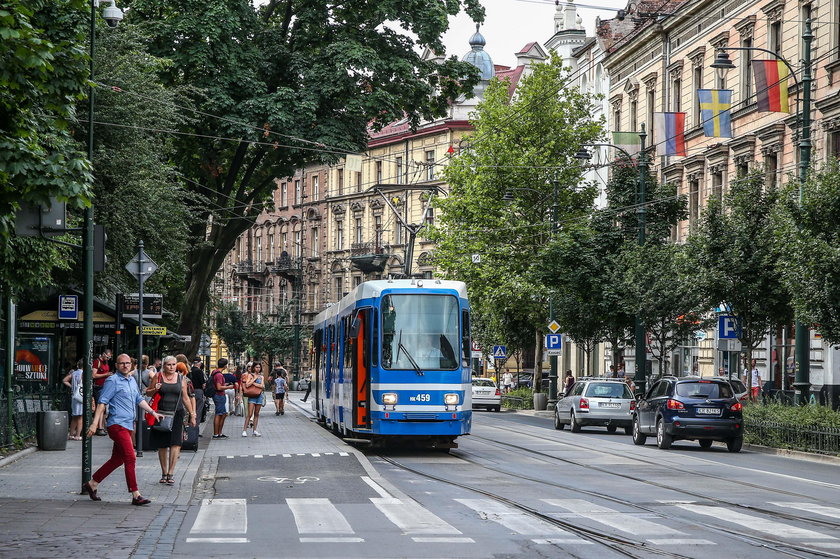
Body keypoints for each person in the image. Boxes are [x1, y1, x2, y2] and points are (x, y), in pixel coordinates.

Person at [84, 354, 162, 506]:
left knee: (117, 459)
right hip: (116, 424)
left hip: (127, 425)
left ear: (132, 365)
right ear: (116, 365)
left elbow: (139, 399)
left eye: (128, 363)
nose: (125, 366)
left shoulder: (131, 380)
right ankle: (135, 494)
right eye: (122, 363)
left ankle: (92, 483)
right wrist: (94, 424)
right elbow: (102, 402)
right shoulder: (112, 381)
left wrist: (152, 412)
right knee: (130, 457)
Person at [146, 356, 196, 485]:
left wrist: (192, 414)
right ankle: (164, 472)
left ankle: (171, 473)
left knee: (175, 443)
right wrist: (155, 388)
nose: (172, 367)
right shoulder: (158, 376)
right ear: (164, 365)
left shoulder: (181, 378)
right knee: (162, 444)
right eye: (169, 364)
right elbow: (148, 393)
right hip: (161, 413)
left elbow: (185, 398)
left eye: (174, 364)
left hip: (177, 414)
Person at [211, 358, 234, 438]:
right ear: (225, 366)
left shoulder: (214, 372)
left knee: (223, 414)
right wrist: (229, 387)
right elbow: (219, 387)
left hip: (218, 395)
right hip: (219, 395)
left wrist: (225, 384)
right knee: (219, 414)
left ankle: (219, 433)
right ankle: (216, 434)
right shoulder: (219, 375)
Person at [91, 349, 113, 435]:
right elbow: (94, 375)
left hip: (105, 386)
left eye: (109, 357)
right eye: (107, 357)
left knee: (104, 408)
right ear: (103, 354)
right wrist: (105, 374)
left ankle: (102, 426)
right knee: (101, 406)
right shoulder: (97, 362)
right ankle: (99, 427)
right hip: (98, 386)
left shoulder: (105, 363)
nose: (108, 358)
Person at [241, 362, 265, 436]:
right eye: (256, 367)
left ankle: (255, 430)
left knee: (257, 414)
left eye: (259, 367)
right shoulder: (250, 375)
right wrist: (254, 379)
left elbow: (262, 386)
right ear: (253, 368)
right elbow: (247, 385)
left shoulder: (262, 377)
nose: (258, 369)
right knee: (249, 414)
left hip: (259, 396)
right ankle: (244, 430)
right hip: (252, 396)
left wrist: (254, 384)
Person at [63, 359, 84, 440]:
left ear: (78, 365)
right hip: (80, 396)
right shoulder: (83, 374)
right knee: (80, 417)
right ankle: (78, 435)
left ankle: (71, 434)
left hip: (74, 396)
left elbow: (64, 380)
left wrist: (72, 386)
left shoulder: (74, 373)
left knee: (74, 416)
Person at [189, 357, 207, 424]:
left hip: (190, 391)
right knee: (198, 410)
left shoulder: (190, 370)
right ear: (199, 363)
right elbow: (203, 384)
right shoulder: (199, 371)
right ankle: (196, 426)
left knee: (191, 409)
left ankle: (190, 425)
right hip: (198, 391)